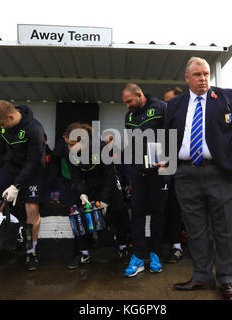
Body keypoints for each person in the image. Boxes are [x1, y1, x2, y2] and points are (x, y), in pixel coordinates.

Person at [162, 57, 232, 300]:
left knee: (227, 229)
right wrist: (168, 163)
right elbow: (168, 138)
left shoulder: (228, 97)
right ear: (187, 78)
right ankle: (202, 276)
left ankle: (227, 280)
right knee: (195, 229)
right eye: (197, 75)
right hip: (186, 174)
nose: (203, 78)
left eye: (205, 74)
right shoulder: (174, 105)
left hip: (224, 174)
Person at [0, 100, 45, 271]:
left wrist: (16, 186)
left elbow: (32, 161)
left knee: (31, 210)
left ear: (11, 116)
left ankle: (31, 250)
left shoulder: (34, 129)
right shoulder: (3, 125)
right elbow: (2, 146)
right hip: (9, 167)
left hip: (32, 169)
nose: (0, 127)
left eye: (1, 123)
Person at [64, 123, 131, 268]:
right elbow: (76, 176)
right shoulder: (71, 153)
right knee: (79, 214)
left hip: (108, 183)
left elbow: (109, 176)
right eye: (68, 144)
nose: (69, 148)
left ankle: (123, 247)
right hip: (88, 185)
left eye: (71, 144)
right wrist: (82, 193)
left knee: (119, 210)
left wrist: (105, 201)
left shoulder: (101, 148)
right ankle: (84, 253)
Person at [122, 83, 169, 277]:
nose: (127, 106)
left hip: (160, 170)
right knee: (138, 213)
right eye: (125, 103)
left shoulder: (160, 108)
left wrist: (168, 158)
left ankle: (155, 254)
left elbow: (173, 134)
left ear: (139, 95)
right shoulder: (129, 116)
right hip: (138, 171)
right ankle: (138, 256)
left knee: (158, 213)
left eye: (129, 101)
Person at [163, 86, 185, 263]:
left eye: (169, 101)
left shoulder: (192, 117)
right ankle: (176, 247)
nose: (166, 105)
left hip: (191, 172)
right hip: (170, 172)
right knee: (173, 208)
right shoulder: (165, 120)